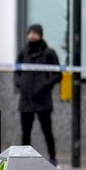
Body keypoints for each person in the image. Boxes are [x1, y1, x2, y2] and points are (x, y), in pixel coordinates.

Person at [17, 22, 61, 159]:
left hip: (43, 99)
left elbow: (58, 74)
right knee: (26, 133)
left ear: (40, 35)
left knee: (47, 131)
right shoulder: (23, 52)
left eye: (35, 33)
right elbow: (16, 72)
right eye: (29, 33)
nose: (31, 36)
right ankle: (24, 160)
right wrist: (20, 84)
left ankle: (53, 158)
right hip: (26, 99)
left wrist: (44, 85)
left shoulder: (49, 53)